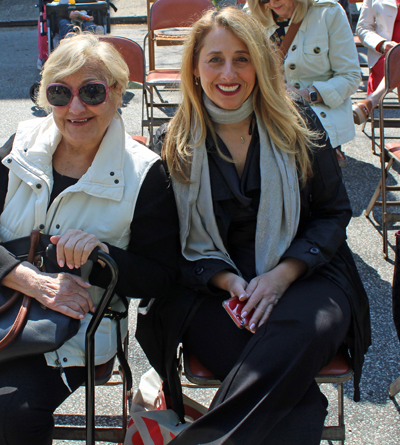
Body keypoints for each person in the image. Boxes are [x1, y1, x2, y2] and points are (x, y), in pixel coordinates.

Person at [0, 33, 180, 445]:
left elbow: (161, 277)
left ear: (119, 93)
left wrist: (101, 258)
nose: (75, 107)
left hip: (72, 323)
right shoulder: (21, 144)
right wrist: (35, 282)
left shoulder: (146, 174)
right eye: (59, 93)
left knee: (6, 417)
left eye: (92, 91)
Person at [136, 7, 371, 444]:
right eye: (216, 59)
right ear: (194, 67)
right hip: (210, 285)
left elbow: (333, 214)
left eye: (242, 58)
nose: (230, 72)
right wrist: (227, 282)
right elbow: (165, 248)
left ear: (261, 64)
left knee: (303, 330)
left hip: (305, 271)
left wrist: (281, 277)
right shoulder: (173, 141)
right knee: (301, 403)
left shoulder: (299, 123)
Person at [246, 0, 361, 166]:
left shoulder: (328, 13)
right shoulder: (251, 16)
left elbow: (350, 76)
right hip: (266, 121)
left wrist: (307, 95)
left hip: (316, 123)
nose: (271, 3)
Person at [353, 0, 400, 124]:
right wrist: (381, 44)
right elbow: (362, 28)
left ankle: (371, 101)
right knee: (396, 58)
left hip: (392, 63)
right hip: (385, 55)